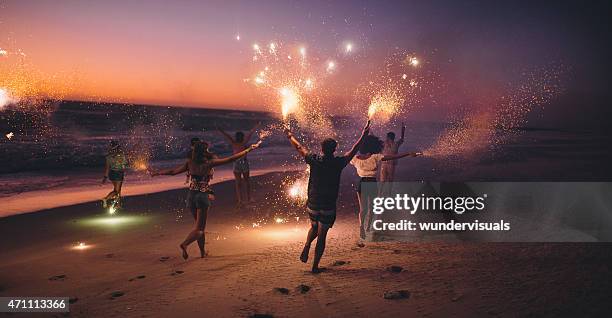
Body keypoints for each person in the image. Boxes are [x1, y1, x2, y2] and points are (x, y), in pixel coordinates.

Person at [285, 120, 371, 273]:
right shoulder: (338, 162)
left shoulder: (314, 159)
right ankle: (315, 266)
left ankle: (306, 246)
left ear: (321, 149)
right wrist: (364, 135)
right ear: (335, 149)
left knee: (313, 226)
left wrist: (290, 136)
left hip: (313, 202)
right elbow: (353, 149)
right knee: (322, 234)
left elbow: (299, 148)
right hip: (328, 205)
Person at [150, 141, 261, 259]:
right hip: (202, 196)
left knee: (199, 227)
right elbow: (231, 159)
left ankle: (202, 252)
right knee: (200, 229)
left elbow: (172, 172)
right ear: (204, 151)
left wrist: (157, 173)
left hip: (191, 196)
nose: (209, 151)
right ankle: (185, 244)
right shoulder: (209, 163)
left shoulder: (190, 163)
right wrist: (249, 149)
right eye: (207, 149)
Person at [350, 134, 422, 240]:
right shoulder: (375, 157)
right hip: (372, 183)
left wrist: (360, 139)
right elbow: (393, 157)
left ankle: (362, 228)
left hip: (361, 183)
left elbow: (348, 154)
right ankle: (368, 227)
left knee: (363, 209)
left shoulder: (355, 159)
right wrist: (407, 153)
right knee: (371, 208)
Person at [217, 123, 260, 207]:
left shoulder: (243, 142)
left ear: (242, 137)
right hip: (237, 163)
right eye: (239, 136)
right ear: (237, 137)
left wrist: (256, 126)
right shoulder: (234, 142)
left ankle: (248, 198)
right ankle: (240, 200)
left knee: (246, 181)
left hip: (243, 162)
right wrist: (220, 129)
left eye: (241, 136)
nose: (240, 138)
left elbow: (250, 133)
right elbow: (227, 136)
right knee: (239, 182)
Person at [102, 140, 128, 209]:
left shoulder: (108, 157)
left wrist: (105, 177)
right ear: (117, 147)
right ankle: (106, 198)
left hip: (112, 174)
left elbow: (107, 168)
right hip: (119, 174)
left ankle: (118, 204)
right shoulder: (121, 155)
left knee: (118, 190)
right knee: (116, 191)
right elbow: (125, 164)